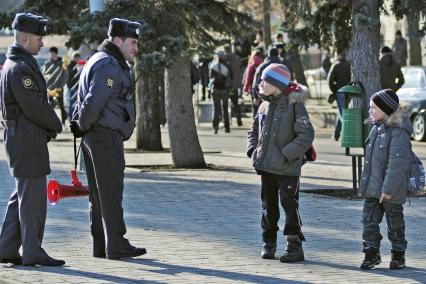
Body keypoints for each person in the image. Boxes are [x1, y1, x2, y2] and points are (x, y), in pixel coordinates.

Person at [71, 18, 147, 260]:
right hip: (104, 137)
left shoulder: (99, 59)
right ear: (117, 40)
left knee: (98, 194)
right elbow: (95, 99)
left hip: (96, 136)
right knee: (111, 192)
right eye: (132, 42)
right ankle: (116, 244)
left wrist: (81, 127)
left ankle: (101, 244)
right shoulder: (110, 65)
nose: (136, 48)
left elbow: (85, 98)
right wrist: (82, 125)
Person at [0, 13, 64, 266]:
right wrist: (56, 123)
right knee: (33, 201)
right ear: (25, 38)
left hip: (23, 139)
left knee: (22, 196)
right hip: (26, 140)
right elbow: (35, 105)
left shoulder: (18, 63)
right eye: (39, 37)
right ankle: (33, 251)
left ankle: (5, 247)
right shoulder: (20, 68)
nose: (43, 43)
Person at [247, 63, 314, 263]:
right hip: (266, 167)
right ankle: (268, 242)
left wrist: (287, 154)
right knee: (268, 206)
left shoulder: (295, 105)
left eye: (265, 81)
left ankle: (294, 246)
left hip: (287, 168)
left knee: (289, 205)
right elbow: (254, 131)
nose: (260, 84)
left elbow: (306, 134)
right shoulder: (264, 105)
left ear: (276, 85)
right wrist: (253, 150)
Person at [359, 89, 411, 270]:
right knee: (368, 222)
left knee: (395, 224)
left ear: (385, 109)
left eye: (373, 107)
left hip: (391, 189)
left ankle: (398, 254)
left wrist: (387, 189)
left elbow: (397, 164)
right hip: (374, 189)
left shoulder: (398, 132)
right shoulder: (376, 128)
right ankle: (371, 253)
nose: (370, 110)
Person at [327, 51, 351, 141]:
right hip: (348, 91)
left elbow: (330, 80)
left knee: (342, 114)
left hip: (340, 91)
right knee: (341, 113)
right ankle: (336, 134)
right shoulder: (349, 65)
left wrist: (334, 90)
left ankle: (345, 135)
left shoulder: (335, 65)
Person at [41, 46, 68, 125]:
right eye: (50, 53)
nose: (51, 55)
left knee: (61, 105)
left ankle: (63, 122)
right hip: (50, 89)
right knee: (50, 106)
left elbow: (65, 76)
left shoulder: (61, 64)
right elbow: (44, 74)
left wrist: (60, 85)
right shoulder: (47, 64)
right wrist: (47, 84)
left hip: (59, 88)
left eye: (53, 53)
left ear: (55, 53)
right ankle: (50, 122)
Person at [208, 50, 232, 133]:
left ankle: (215, 127)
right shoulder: (228, 65)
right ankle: (227, 127)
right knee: (225, 108)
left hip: (215, 89)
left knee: (216, 108)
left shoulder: (212, 65)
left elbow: (210, 77)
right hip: (225, 89)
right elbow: (231, 76)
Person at [224, 44, 243, 126]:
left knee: (225, 103)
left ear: (225, 50)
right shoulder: (237, 58)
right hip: (234, 85)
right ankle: (239, 120)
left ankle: (226, 122)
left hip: (225, 85)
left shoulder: (223, 59)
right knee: (235, 102)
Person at [242, 49, 264, 117]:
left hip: (254, 87)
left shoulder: (251, 65)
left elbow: (247, 78)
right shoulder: (263, 64)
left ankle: (255, 120)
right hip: (263, 87)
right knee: (263, 104)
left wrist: (245, 89)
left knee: (255, 105)